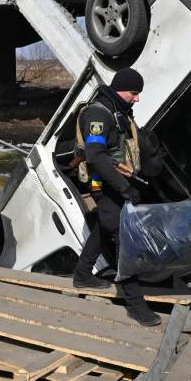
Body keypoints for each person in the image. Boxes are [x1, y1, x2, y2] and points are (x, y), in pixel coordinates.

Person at [71, 67, 159, 327]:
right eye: (134, 93)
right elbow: (96, 156)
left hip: (116, 182)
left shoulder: (119, 110)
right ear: (120, 89)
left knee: (104, 225)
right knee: (123, 239)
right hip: (104, 184)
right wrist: (123, 188)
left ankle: (82, 275)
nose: (137, 98)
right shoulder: (98, 114)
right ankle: (135, 304)